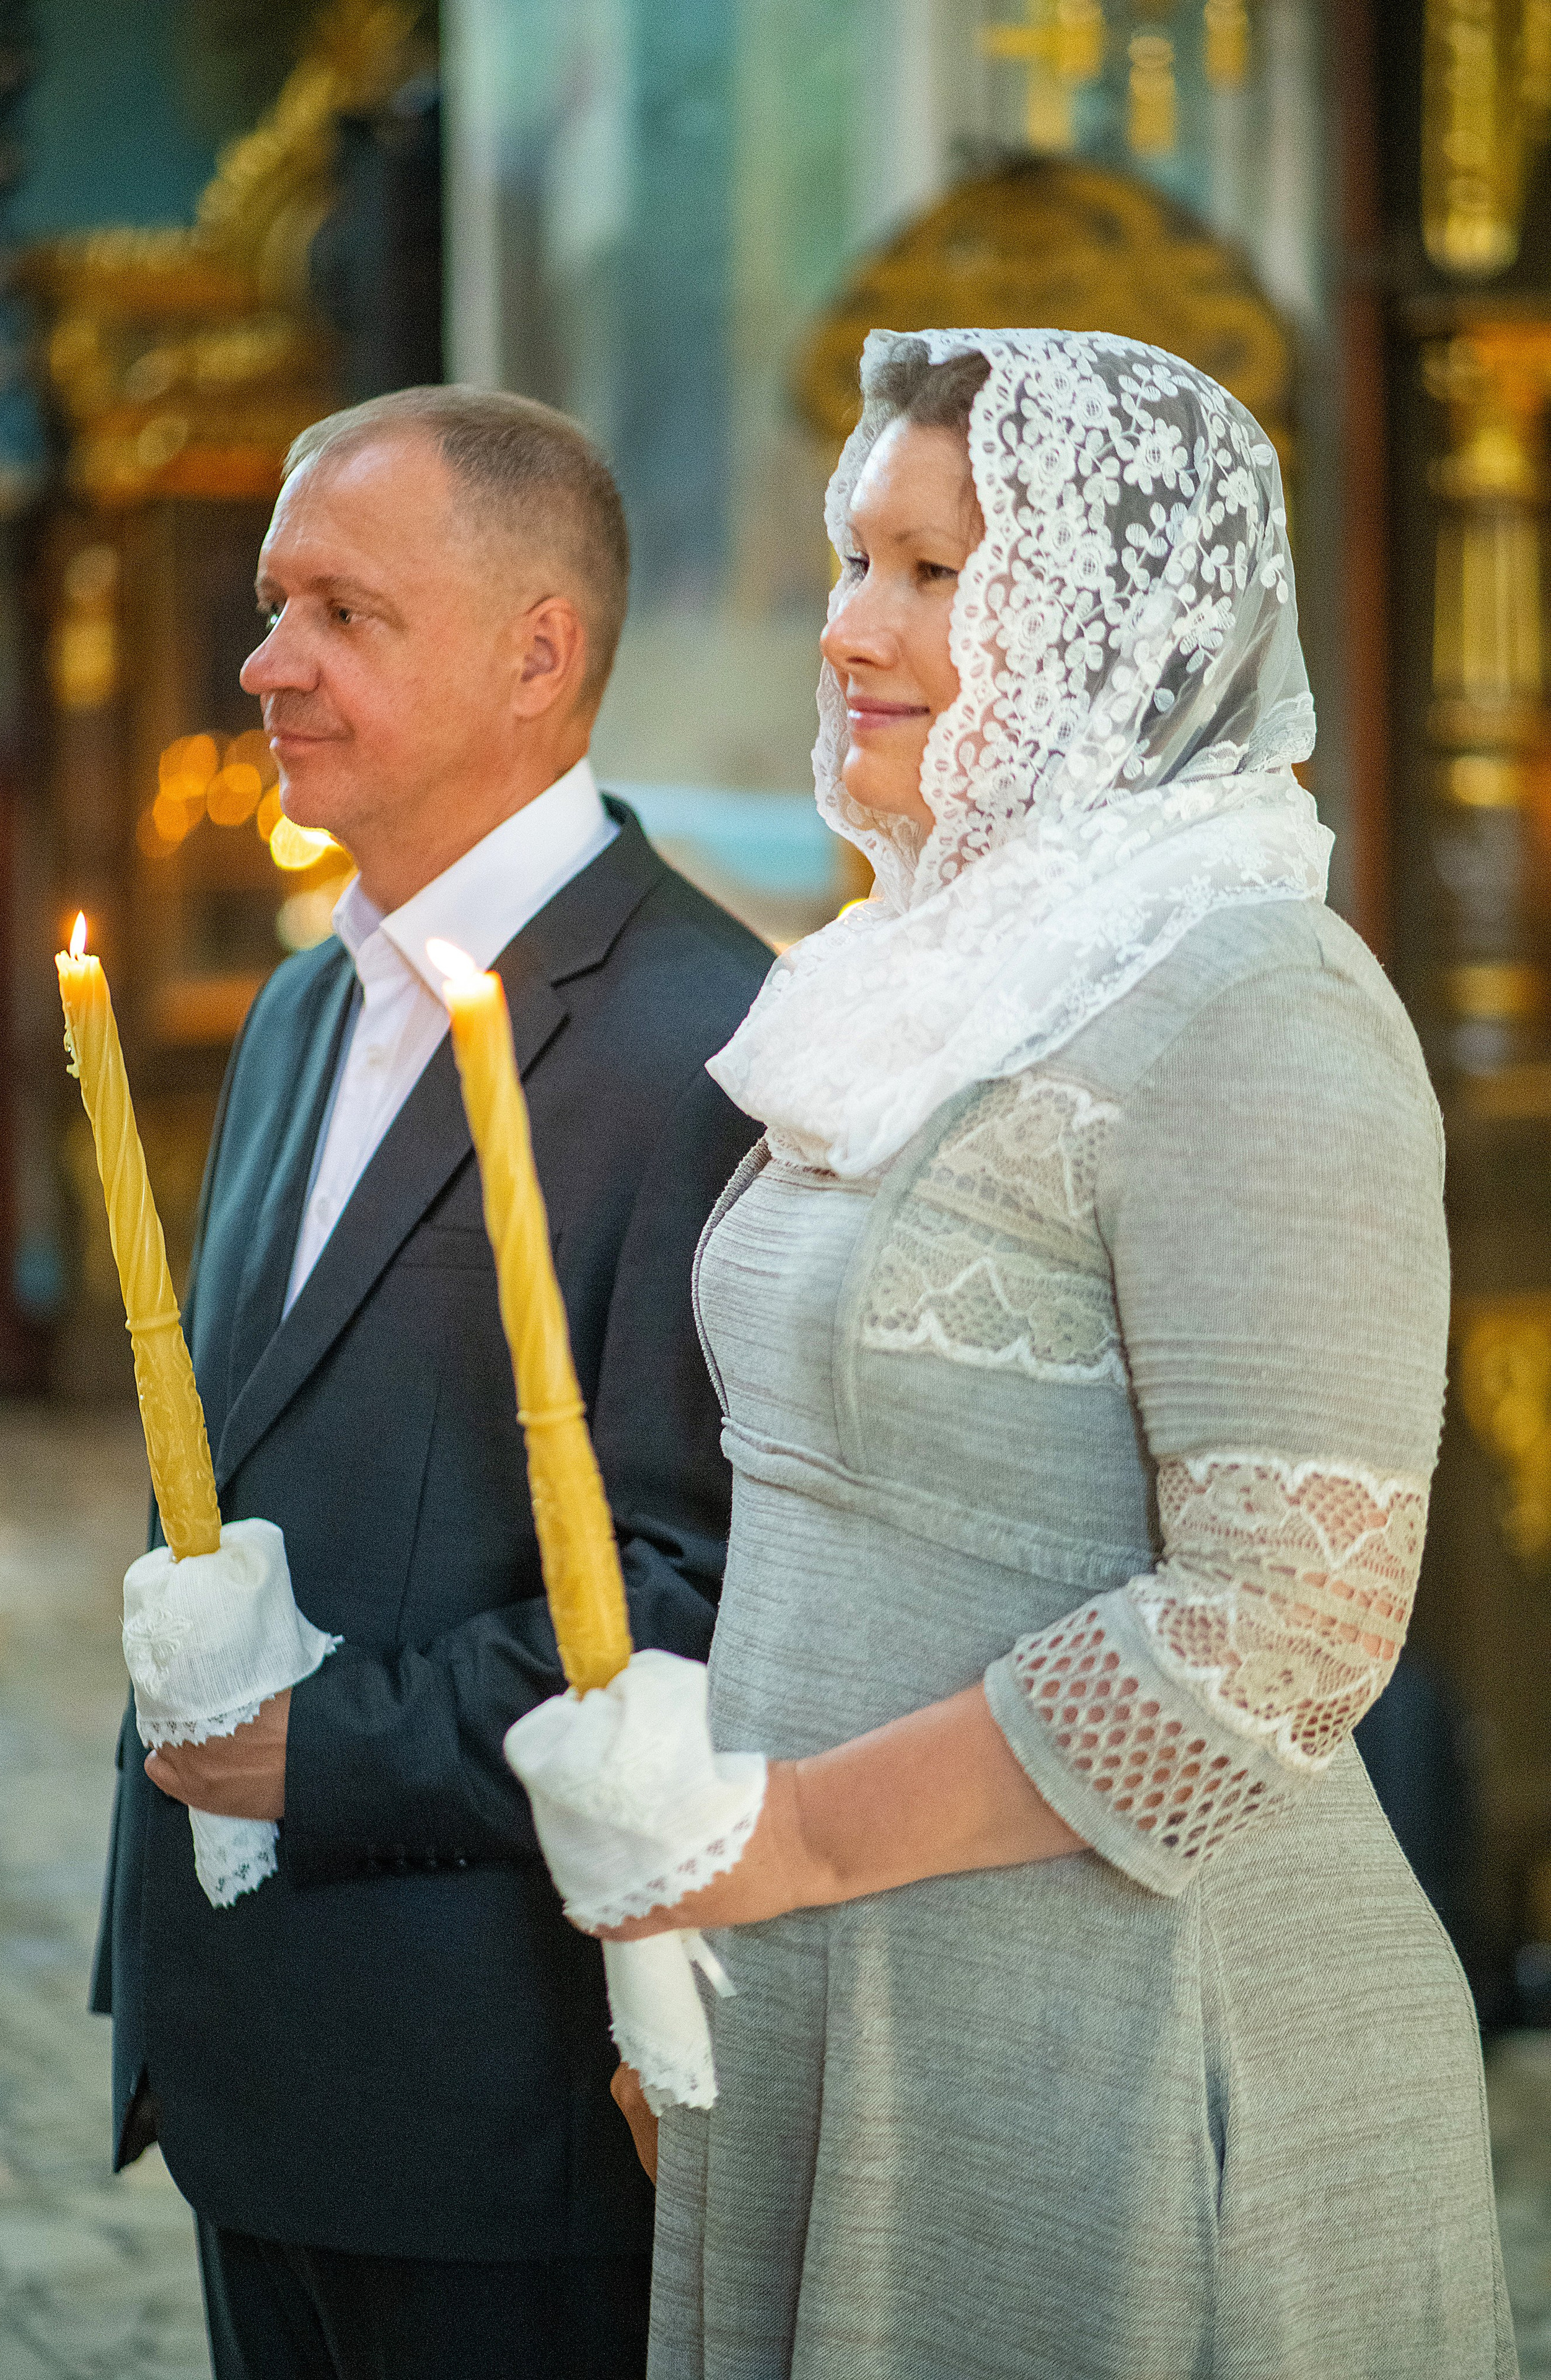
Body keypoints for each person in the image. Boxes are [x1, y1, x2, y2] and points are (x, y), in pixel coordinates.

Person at [517, 332, 1518, 2378]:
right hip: (822, 1992)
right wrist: (720, 1925)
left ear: (1110, 624)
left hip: (1131, 2049)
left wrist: (785, 1843)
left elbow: (1287, 1628)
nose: (851, 627)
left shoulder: (1256, 998)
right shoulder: (912, 974)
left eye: (934, 573)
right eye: (852, 560)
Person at [89, 386, 773, 2380]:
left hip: (503, 2108)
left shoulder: (708, 1047)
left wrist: (326, 1751)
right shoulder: (311, 997)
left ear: (535, 653)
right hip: (247, 2060)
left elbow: (704, 1601)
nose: (264, 657)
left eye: (340, 612)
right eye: (271, 599)